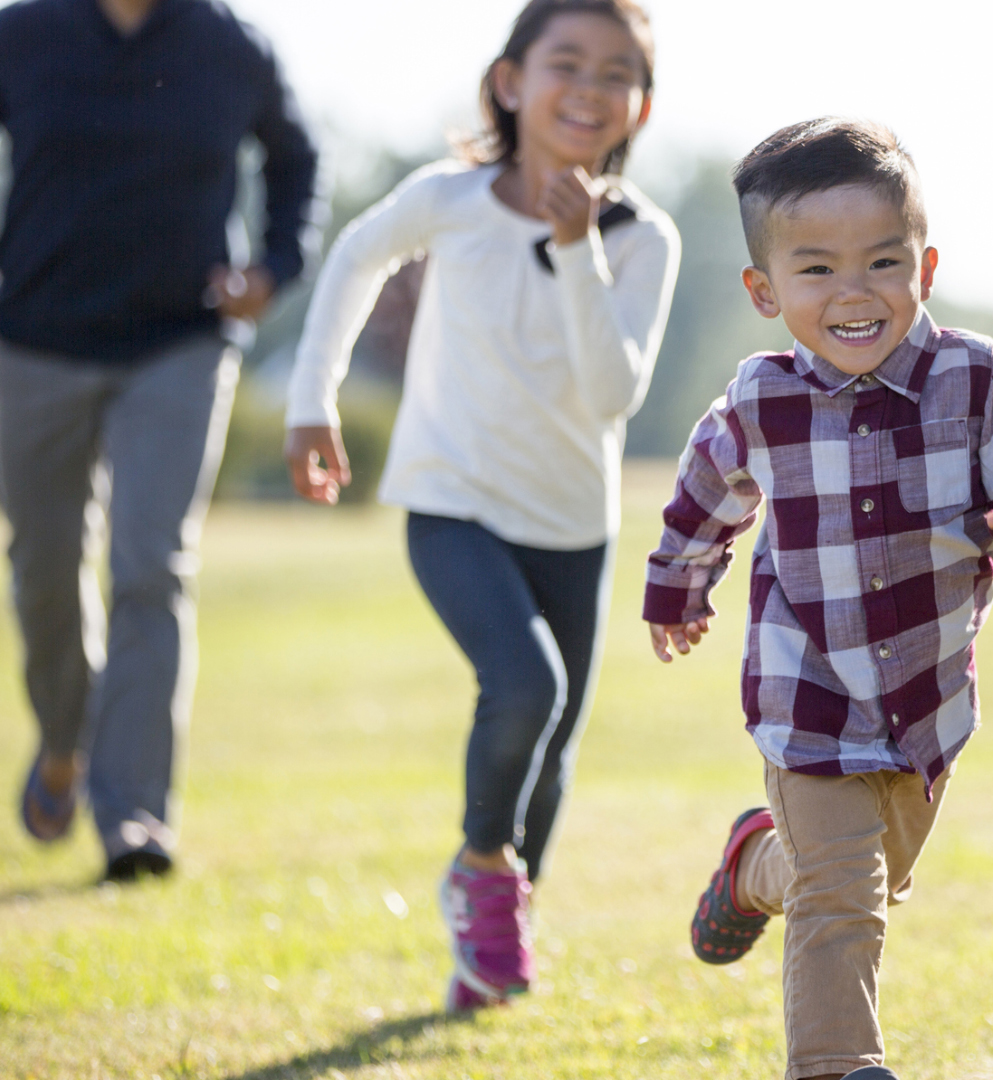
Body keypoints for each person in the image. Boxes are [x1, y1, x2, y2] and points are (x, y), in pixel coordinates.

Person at [646, 119, 993, 1080]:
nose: (854, 292)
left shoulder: (976, 377)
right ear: (765, 291)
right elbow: (704, 495)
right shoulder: (760, 400)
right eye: (816, 269)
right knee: (843, 898)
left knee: (860, 884)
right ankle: (838, 1063)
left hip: (927, 702)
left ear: (924, 267)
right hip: (807, 692)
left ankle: (752, 867)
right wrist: (677, 586)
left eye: (883, 262)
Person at [283, 0, 677, 1014]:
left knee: (553, 750)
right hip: (450, 499)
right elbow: (355, 256)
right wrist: (311, 399)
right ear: (510, 82)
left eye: (617, 73)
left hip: (574, 523)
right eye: (566, 63)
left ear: (640, 105)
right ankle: (480, 870)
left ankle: (492, 940)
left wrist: (578, 245)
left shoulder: (643, 238)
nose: (589, 89)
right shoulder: (448, 199)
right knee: (524, 684)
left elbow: (612, 392)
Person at [0, 0, 319, 882]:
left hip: (180, 343)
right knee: (43, 568)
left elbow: (297, 162)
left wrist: (274, 266)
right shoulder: (17, 35)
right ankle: (65, 742)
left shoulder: (229, 45)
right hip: (37, 343)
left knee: (150, 567)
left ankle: (134, 816)